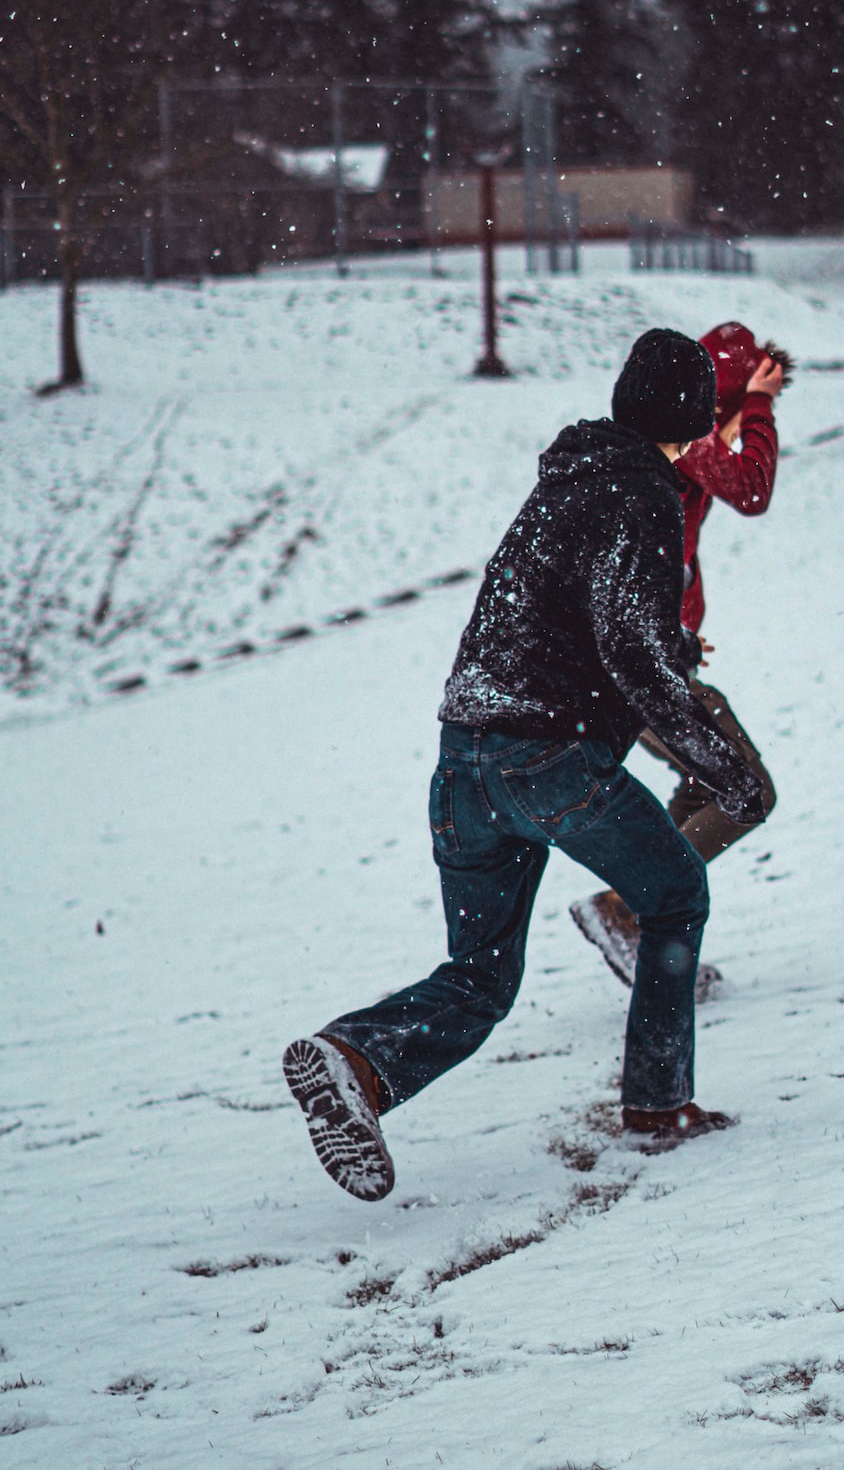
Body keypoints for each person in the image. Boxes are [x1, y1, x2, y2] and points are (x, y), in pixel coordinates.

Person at [282, 327, 769, 1202]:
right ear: (692, 413)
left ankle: (354, 1059)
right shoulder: (644, 494)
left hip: (462, 760)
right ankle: (659, 1108)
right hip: (550, 760)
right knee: (675, 896)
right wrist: (719, 762)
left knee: (479, 977)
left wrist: (668, 651)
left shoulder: (566, 480)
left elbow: (573, 616)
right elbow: (630, 644)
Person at [570, 322, 792, 994]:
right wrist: (758, 408)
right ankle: (627, 908)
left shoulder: (670, 436)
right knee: (744, 789)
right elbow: (750, 489)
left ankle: (640, 922)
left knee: (709, 785)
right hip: (637, 663)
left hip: (640, 652)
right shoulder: (686, 438)